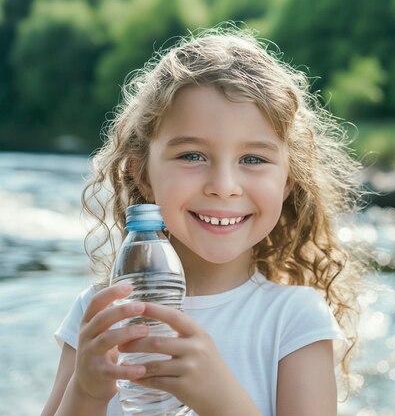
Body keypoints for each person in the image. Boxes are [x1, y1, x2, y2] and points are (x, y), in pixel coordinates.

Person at [40, 24, 368, 416]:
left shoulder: (295, 320)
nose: (224, 186)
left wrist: (219, 399)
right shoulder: (101, 311)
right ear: (143, 175)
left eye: (253, 159)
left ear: (286, 183)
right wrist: (87, 393)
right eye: (192, 155)